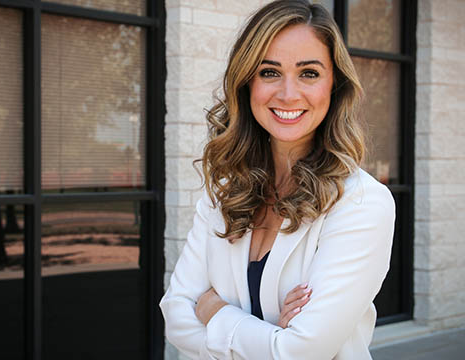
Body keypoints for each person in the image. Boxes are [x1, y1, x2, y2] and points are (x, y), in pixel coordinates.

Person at [160, 1, 395, 359]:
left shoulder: (362, 203)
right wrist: (270, 336)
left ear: (334, 86)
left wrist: (216, 312)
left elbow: (301, 352)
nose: (288, 94)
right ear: (246, 83)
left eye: (309, 73)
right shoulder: (225, 192)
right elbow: (176, 317)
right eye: (269, 72)